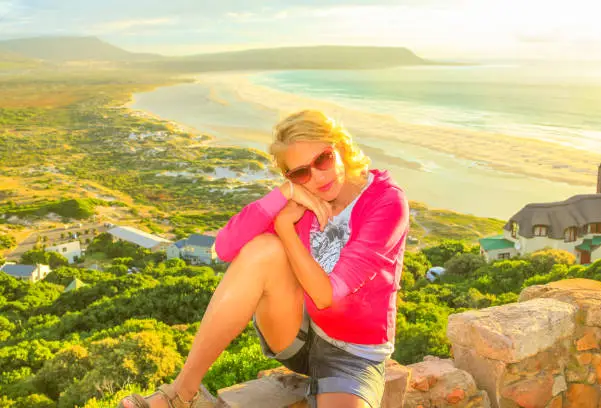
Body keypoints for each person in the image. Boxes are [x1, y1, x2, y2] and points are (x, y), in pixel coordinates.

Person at [118, 110, 409, 408]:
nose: (317, 177)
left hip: (354, 355)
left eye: (323, 159)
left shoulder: (385, 202)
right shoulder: (303, 198)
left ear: (341, 148)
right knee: (263, 250)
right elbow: (224, 247)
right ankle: (181, 393)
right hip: (299, 332)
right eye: (300, 173)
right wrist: (281, 195)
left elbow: (326, 296)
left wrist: (285, 227)